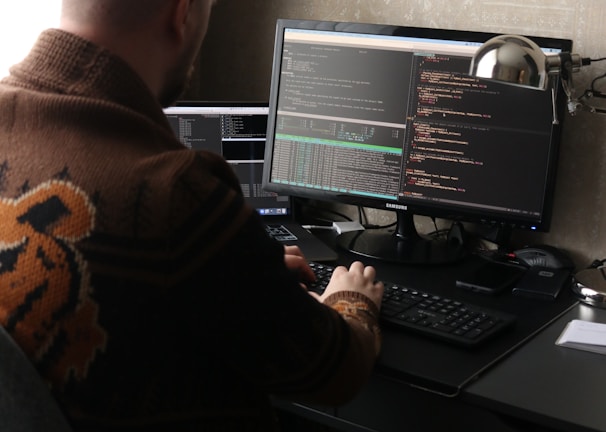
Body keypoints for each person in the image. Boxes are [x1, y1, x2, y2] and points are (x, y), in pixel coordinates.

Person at [0, 0, 384, 431]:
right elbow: (334, 373)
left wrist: (238, 267)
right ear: (182, 13)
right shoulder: (175, 190)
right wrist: (352, 301)